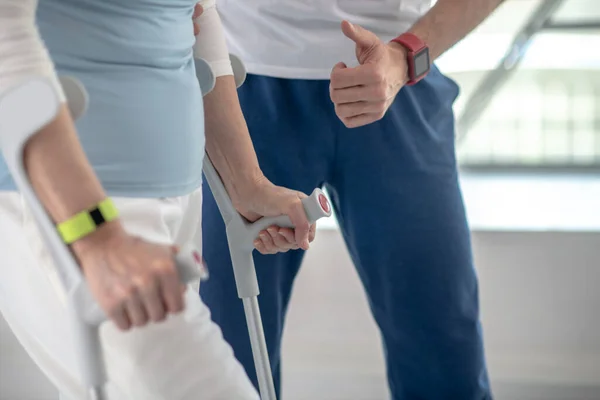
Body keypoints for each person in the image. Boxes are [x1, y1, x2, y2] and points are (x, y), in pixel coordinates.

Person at [0, 0, 316, 398]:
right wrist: (97, 238)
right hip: (74, 205)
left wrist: (246, 181)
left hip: (176, 189)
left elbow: (200, 12)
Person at [201, 0, 505, 399]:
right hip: (242, 88)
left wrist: (404, 57)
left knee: (443, 348)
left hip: (395, 79)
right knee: (230, 354)